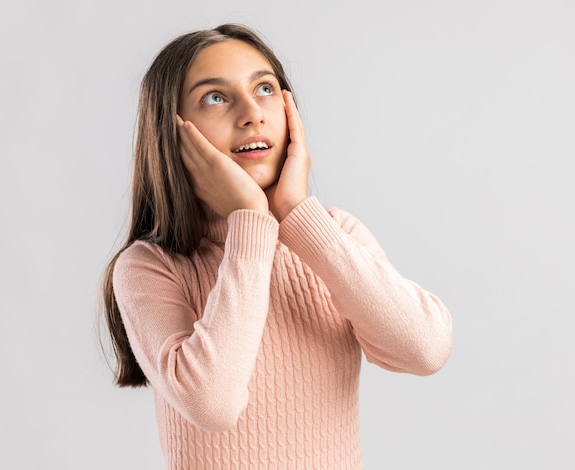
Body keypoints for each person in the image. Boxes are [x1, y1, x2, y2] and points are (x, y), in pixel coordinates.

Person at [101, 23, 452, 469]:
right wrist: (251, 222)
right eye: (216, 97)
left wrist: (296, 214)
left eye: (265, 88)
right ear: (172, 133)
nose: (252, 113)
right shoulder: (149, 268)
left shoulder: (331, 233)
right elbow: (213, 404)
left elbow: (425, 349)